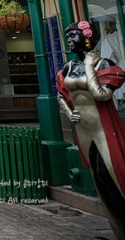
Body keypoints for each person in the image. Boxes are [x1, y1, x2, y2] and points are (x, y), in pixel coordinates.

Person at [57, 20, 125, 239]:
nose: (69, 40)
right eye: (67, 36)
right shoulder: (68, 67)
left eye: (73, 35)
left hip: (105, 129)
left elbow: (102, 95)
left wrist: (89, 65)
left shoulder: (103, 64)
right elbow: (61, 95)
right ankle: (118, 230)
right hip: (84, 130)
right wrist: (69, 113)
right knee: (100, 179)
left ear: (87, 38)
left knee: (115, 175)